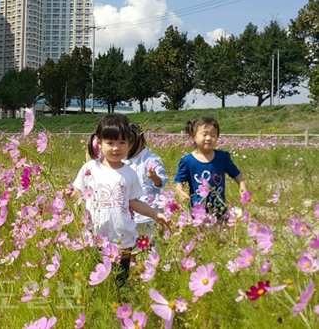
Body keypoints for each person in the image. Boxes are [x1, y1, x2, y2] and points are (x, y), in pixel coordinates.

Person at [70, 113, 168, 286]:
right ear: (99, 143)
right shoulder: (90, 168)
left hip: (122, 237)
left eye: (122, 143)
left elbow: (134, 202)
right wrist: (69, 194)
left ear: (130, 144)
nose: (116, 148)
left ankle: (120, 305)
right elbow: (78, 191)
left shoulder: (129, 173)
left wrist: (154, 214)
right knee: (96, 279)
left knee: (120, 280)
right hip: (95, 235)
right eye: (110, 143)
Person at [173, 117, 248, 219]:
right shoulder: (187, 161)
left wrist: (242, 185)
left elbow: (235, 173)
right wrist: (180, 190)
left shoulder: (222, 157)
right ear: (193, 137)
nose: (208, 138)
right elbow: (179, 180)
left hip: (220, 209)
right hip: (198, 213)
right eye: (204, 135)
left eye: (213, 135)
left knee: (220, 234)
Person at [124, 123, 167, 252]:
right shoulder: (124, 161)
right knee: (133, 248)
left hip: (150, 211)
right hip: (131, 213)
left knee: (153, 247)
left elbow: (161, 182)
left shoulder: (152, 159)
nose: (128, 148)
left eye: (131, 144)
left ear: (141, 141)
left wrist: (154, 177)